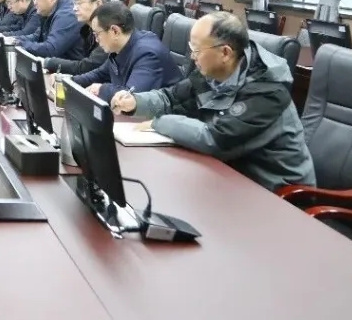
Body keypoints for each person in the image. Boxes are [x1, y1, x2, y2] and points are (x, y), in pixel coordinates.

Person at [109, 11, 315, 191]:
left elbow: (216, 139)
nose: (192, 56)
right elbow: (171, 98)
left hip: (279, 193)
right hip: (229, 177)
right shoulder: (213, 74)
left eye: (197, 49)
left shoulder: (266, 91)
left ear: (225, 52)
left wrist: (159, 122)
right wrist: (135, 102)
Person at [56, 1, 182, 101]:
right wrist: (68, 81)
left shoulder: (147, 54)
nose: (96, 40)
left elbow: (131, 97)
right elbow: (100, 74)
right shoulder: (120, 46)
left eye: (97, 34)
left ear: (115, 31)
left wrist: (101, 89)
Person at [44, 0, 110, 75]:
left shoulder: (110, 30)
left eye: (79, 3)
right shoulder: (87, 29)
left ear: (98, 4)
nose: (74, 8)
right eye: (74, 3)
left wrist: (48, 62)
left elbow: (86, 67)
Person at [12, 0, 84, 60]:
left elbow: (51, 49)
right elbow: (37, 36)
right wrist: (15, 40)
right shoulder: (48, 11)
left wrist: (21, 44)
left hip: (69, 65)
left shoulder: (66, 14)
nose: (34, 2)